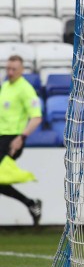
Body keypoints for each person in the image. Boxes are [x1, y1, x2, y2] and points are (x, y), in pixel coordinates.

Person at [0, 55, 42, 225]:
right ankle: (31, 204)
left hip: (12, 140)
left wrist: (21, 137)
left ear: (22, 70)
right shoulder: (5, 86)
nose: (10, 72)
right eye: (8, 68)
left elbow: (36, 117)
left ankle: (31, 204)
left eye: (14, 69)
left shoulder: (25, 89)